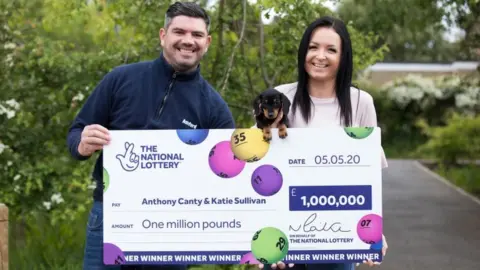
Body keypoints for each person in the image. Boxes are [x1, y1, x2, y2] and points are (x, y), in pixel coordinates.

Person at [66, 2, 234, 269]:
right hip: (110, 217)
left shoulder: (215, 108)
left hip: (174, 227)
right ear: (163, 35)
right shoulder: (120, 79)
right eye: (179, 31)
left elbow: (227, 175)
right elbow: (75, 135)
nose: (188, 41)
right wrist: (82, 144)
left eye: (197, 35)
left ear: (208, 42)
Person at [255, 16, 389, 270]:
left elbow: (370, 177)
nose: (320, 56)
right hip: (284, 234)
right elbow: (253, 159)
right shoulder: (279, 97)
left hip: (336, 238)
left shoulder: (361, 102)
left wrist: (373, 231)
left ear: (344, 57)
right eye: (313, 47)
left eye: (331, 49)